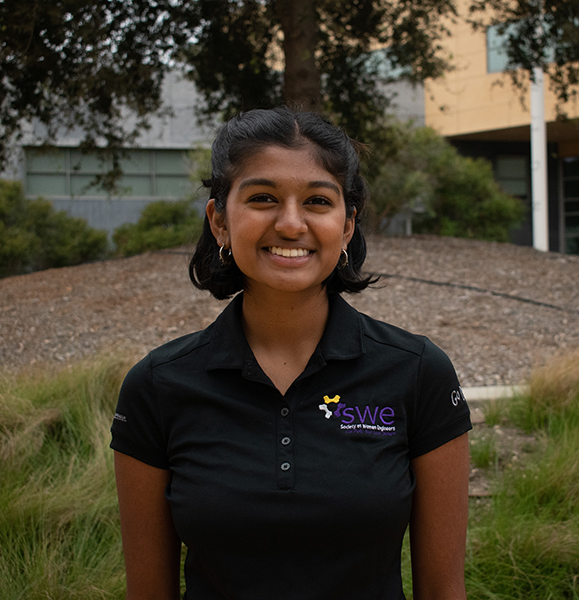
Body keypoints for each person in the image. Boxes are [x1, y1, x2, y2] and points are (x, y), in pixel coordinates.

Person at [111, 107, 471, 600]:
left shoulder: (418, 373)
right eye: (262, 198)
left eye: (318, 201)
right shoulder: (156, 386)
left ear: (347, 226)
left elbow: (443, 590)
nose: (291, 223)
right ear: (219, 221)